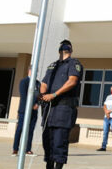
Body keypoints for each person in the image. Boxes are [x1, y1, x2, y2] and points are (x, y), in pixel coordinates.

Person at [39, 39, 83, 169]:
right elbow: (44, 83)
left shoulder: (74, 63)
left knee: (59, 142)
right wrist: (42, 95)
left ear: (70, 49)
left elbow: (72, 81)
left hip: (64, 109)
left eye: (67, 46)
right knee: (47, 142)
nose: (64, 48)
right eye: (62, 46)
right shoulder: (53, 65)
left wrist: (54, 94)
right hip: (49, 110)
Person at [12, 66, 39, 157]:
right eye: (34, 70)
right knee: (20, 129)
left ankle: (28, 150)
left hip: (34, 111)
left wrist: (37, 104)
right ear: (29, 71)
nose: (36, 73)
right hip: (24, 111)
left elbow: (40, 95)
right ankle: (15, 149)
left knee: (30, 130)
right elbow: (24, 96)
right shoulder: (24, 82)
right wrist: (31, 106)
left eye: (37, 71)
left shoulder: (37, 83)